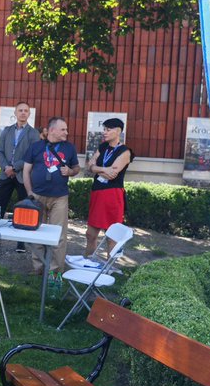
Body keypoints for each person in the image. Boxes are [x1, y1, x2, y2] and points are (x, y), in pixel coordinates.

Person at [21, 116, 80, 275]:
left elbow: (76, 168)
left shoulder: (69, 148)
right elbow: (26, 171)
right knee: (36, 232)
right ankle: (38, 268)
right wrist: (29, 193)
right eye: (63, 129)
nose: (66, 132)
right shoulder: (36, 147)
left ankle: (55, 272)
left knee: (59, 235)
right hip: (38, 196)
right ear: (52, 130)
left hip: (59, 197)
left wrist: (70, 171)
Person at [82, 117, 133, 259]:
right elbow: (89, 166)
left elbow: (112, 174)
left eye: (108, 129)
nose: (104, 132)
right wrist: (102, 168)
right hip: (97, 192)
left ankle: (110, 269)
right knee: (90, 234)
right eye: (104, 129)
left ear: (118, 131)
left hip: (113, 195)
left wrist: (95, 168)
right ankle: (88, 261)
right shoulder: (102, 147)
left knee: (112, 236)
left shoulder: (125, 151)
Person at [0, 101, 36, 252]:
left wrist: (15, 167)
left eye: (26, 111)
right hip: (5, 174)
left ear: (29, 114)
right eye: (20, 110)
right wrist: (6, 167)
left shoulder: (33, 133)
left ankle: (20, 242)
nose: (23, 113)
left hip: (23, 175)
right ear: (15, 113)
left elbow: (32, 155)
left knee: (23, 208)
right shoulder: (7, 131)